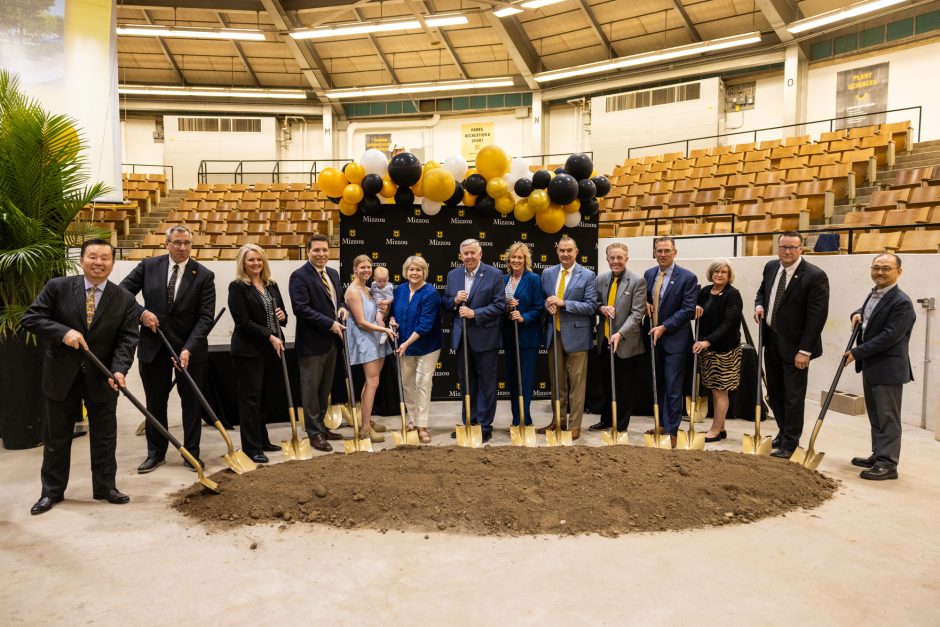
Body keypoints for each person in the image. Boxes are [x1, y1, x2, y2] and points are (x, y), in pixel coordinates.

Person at [21, 239, 139, 515]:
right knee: (57, 438)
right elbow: (31, 318)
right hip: (61, 376)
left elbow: (127, 340)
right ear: (82, 260)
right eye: (92, 257)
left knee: (105, 437)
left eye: (105, 258)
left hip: (102, 378)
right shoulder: (58, 287)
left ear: (113, 263)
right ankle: (51, 492)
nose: (98, 262)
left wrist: (119, 370)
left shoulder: (124, 298)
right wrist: (63, 332)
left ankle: (105, 487)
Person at [119, 225, 216, 474]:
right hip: (154, 347)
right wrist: (142, 313)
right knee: (155, 402)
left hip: (189, 350)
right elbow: (121, 293)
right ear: (167, 244)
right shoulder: (148, 266)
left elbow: (206, 317)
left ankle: (191, 453)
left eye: (187, 243)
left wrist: (188, 349)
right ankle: (156, 453)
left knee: (191, 403)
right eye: (177, 243)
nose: (183, 248)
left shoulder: (204, 275)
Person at [754, 231, 829, 458]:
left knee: (793, 397)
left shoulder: (815, 276)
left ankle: (790, 443)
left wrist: (805, 351)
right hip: (772, 341)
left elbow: (817, 318)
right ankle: (783, 431)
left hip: (797, 347)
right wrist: (759, 305)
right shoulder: (771, 267)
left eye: (792, 247)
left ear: (801, 249)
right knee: (775, 393)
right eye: (783, 247)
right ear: (778, 248)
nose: (787, 252)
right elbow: (762, 291)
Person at [846, 253, 915, 481]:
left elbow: (890, 336)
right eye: (876, 267)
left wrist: (856, 353)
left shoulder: (902, 302)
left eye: (886, 268)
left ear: (898, 272)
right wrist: (856, 313)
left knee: (888, 418)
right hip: (872, 365)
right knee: (876, 415)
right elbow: (869, 315)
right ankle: (879, 454)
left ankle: (888, 464)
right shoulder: (874, 293)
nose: (879, 272)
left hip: (888, 368)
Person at [227, 244, 288, 464]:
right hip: (248, 350)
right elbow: (242, 322)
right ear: (243, 263)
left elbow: (283, 316)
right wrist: (269, 336)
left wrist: (282, 316)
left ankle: (262, 440)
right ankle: (251, 447)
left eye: (259, 259)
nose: (256, 263)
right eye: (251, 260)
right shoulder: (237, 287)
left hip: (271, 349)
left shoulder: (272, 285)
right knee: (250, 399)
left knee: (265, 397)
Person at [443, 238, 506, 443]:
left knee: (487, 383)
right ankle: (469, 422)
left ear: (480, 254)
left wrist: (474, 313)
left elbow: (499, 305)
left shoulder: (494, 274)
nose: (469, 256)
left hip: (486, 337)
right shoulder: (453, 275)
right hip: (462, 338)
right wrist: (454, 301)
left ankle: (485, 426)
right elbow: (445, 301)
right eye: (466, 253)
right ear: (460, 256)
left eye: (473, 253)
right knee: (466, 383)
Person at [289, 234, 346, 452]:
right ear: (308, 252)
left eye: (324, 250)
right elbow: (301, 308)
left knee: (324, 389)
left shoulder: (332, 273)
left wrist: (342, 308)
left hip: (332, 343)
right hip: (312, 344)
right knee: (310, 390)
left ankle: (321, 426)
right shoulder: (299, 276)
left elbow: (338, 299)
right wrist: (330, 323)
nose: (321, 254)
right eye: (316, 250)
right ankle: (314, 433)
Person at [539, 236, 597, 441]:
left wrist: (563, 303)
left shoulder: (588, 275)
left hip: (577, 337)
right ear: (557, 252)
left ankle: (574, 425)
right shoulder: (547, 273)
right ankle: (558, 421)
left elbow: (591, 306)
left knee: (576, 385)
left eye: (569, 250)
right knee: (557, 383)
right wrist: (548, 305)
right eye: (562, 250)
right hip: (553, 334)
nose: (565, 254)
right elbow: (543, 300)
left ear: (576, 252)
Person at [644, 236, 698, 448]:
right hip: (653, 339)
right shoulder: (649, 274)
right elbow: (647, 298)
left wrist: (664, 327)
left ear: (675, 252)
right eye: (659, 251)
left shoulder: (687, 277)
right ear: (654, 253)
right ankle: (661, 424)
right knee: (658, 384)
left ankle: (672, 430)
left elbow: (688, 310)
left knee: (673, 387)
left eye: (667, 250)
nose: (663, 254)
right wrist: (645, 303)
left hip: (675, 340)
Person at [592, 242, 646, 434]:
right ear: (607, 259)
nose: (616, 261)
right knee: (607, 384)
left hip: (625, 343)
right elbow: (594, 304)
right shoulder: (601, 279)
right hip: (604, 341)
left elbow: (637, 314)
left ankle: (620, 424)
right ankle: (606, 419)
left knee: (623, 386)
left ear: (626, 259)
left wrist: (620, 333)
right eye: (612, 258)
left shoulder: (637, 281)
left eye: (619, 258)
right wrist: (601, 308)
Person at [390, 256, 444, 444]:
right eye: (411, 269)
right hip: (404, 345)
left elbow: (425, 325)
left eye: (418, 270)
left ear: (424, 272)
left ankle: (422, 425)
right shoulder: (400, 290)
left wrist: (406, 343)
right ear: (406, 271)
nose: (414, 273)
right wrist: (392, 319)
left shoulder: (431, 294)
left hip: (427, 346)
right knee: (407, 384)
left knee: (423, 383)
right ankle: (412, 420)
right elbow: (394, 312)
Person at [344, 255, 395, 442]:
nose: (366, 270)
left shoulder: (369, 289)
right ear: (355, 269)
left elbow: (377, 315)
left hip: (376, 338)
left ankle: (366, 421)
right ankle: (365, 429)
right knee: (372, 382)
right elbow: (361, 322)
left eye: (368, 267)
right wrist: (384, 329)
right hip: (366, 339)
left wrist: (387, 316)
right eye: (362, 267)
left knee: (371, 382)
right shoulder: (353, 291)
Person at [693, 259, 743, 442]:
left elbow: (728, 325)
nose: (719, 275)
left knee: (721, 391)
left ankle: (715, 430)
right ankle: (721, 428)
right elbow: (695, 311)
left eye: (723, 272)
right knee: (715, 389)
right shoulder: (705, 292)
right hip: (707, 350)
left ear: (729, 276)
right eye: (716, 271)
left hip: (725, 350)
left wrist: (707, 341)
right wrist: (694, 307)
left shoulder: (732, 294)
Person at [501, 242, 543, 430]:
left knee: (525, 379)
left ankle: (522, 420)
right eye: (513, 257)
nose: (516, 260)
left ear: (526, 260)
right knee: (513, 379)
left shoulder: (533, 279)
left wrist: (523, 317)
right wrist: (506, 307)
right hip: (509, 336)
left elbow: (539, 307)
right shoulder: (503, 280)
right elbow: (498, 306)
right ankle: (518, 417)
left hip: (527, 337)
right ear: (508, 259)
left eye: (520, 257)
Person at [370, 265, 394, 332]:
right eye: (379, 281)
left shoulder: (388, 288)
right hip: (374, 303)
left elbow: (391, 299)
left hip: (383, 305)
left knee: (378, 319)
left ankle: (384, 333)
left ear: (388, 278)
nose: (382, 283)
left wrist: (383, 302)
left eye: (384, 281)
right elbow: (371, 293)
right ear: (374, 279)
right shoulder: (373, 284)